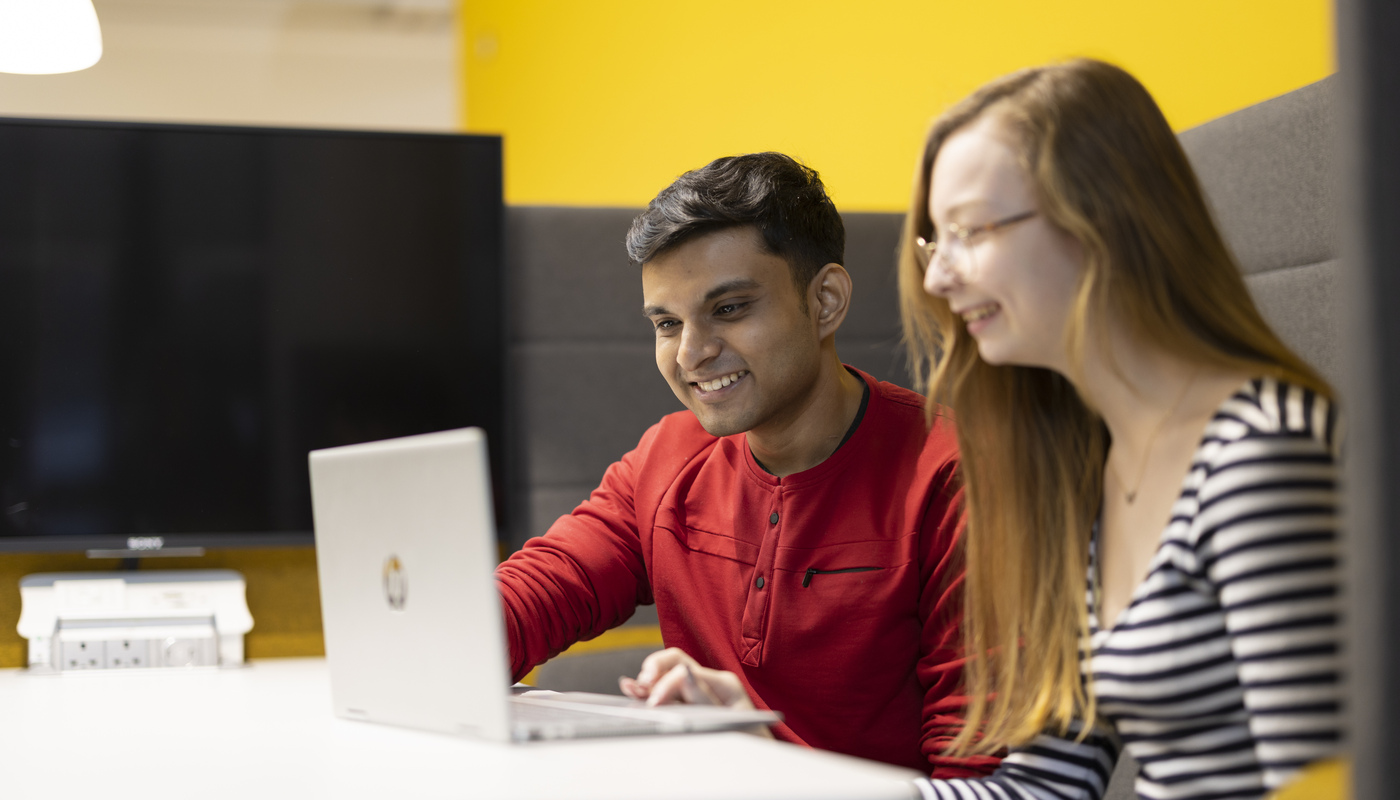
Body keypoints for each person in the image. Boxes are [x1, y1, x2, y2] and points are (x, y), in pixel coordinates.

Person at [649, 62, 1341, 799]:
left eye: (970, 232)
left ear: (1100, 223)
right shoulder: (1089, 469)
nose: (939, 279)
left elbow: (1328, 778)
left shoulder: (1259, 453)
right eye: (932, 244)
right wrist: (770, 755)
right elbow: (1043, 790)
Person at [495, 152, 998, 778]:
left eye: (729, 309)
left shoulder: (959, 478)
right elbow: (536, 594)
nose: (692, 353)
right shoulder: (668, 458)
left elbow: (984, 780)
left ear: (826, 301)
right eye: (666, 323)